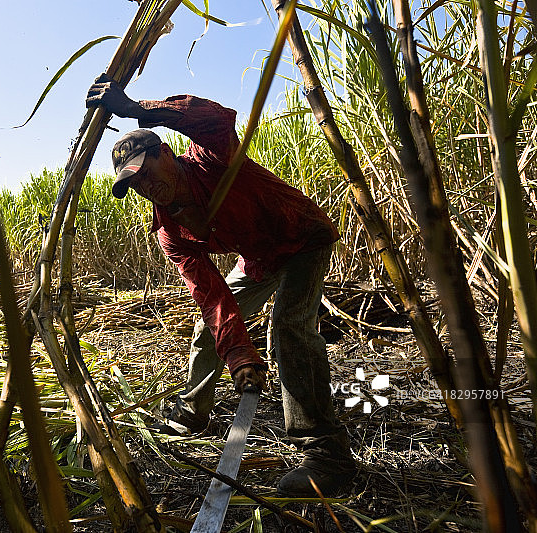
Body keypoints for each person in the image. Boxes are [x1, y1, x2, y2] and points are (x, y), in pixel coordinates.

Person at [86, 74, 356, 497]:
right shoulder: (169, 230)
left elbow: (216, 118)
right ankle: (193, 411)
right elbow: (212, 297)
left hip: (302, 238)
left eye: (143, 171)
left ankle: (326, 452)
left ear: (165, 153)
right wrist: (238, 356)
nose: (143, 185)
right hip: (260, 259)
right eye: (132, 183)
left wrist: (140, 109)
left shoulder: (212, 159)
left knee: (286, 329)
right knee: (206, 330)